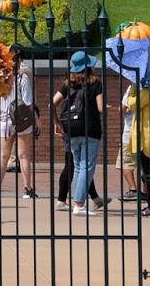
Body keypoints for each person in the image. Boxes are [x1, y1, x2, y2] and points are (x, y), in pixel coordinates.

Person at [52, 51, 105, 216]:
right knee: (86, 167)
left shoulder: (68, 84)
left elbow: (51, 104)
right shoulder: (96, 83)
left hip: (71, 130)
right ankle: (79, 204)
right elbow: (100, 108)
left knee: (77, 167)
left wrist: (57, 123)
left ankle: (78, 202)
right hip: (91, 129)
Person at [0, 53, 39, 198]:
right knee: (24, 156)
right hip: (21, 120)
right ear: (18, 62)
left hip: (5, 119)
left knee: (4, 156)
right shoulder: (22, 78)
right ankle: (27, 189)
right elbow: (28, 101)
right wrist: (36, 119)